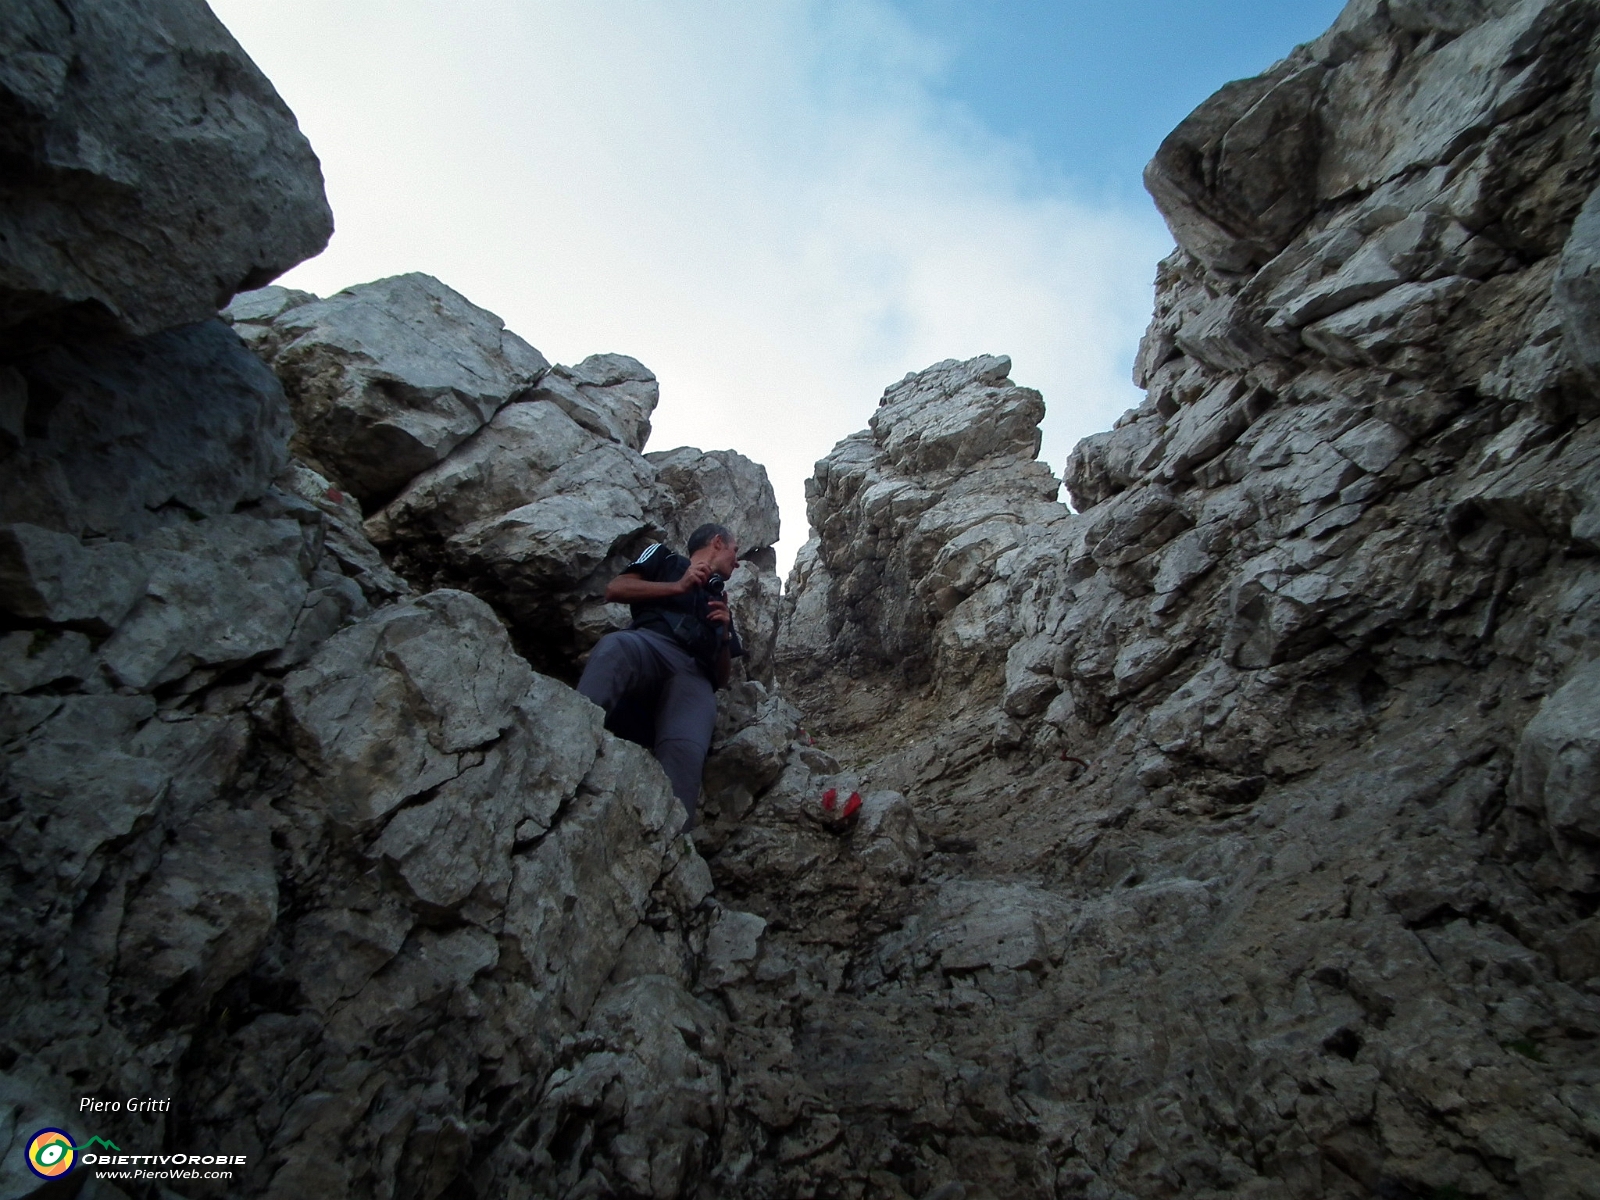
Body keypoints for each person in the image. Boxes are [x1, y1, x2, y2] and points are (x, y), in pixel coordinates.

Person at [577, 523, 744, 829]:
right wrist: (678, 586)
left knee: (686, 751)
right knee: (615, 647)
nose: (737, 561)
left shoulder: (721, 599)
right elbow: (615, 589)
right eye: (735, 551)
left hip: (695, 677)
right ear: (717, 542)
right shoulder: (665, 559)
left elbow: (721, 680)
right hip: (650, 644)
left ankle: (673, 841)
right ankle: (571, 744)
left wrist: (723, 635)